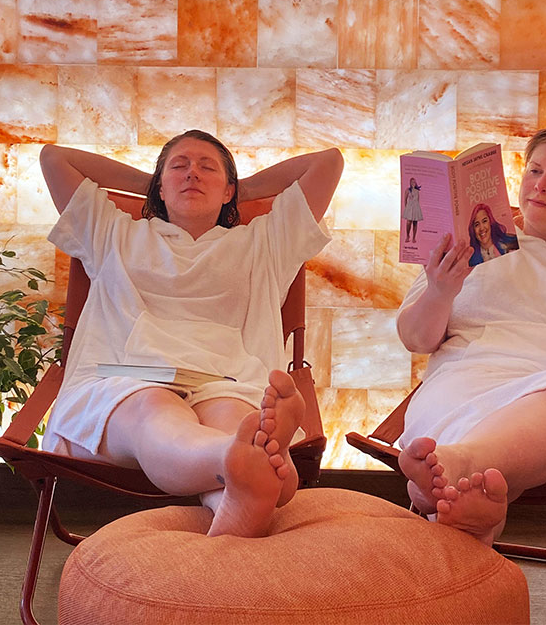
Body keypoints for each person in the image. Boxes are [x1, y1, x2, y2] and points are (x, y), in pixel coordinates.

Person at [39, 130, 343, 538]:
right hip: (126, 378)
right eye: (179, 167)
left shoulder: (264, 242)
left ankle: (241, 479)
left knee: (238, 420)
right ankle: (251, 465)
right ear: (159, 188)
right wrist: (151, 184)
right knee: (157, 412)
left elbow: (328, 162)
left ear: (229, 190)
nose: (192, 174)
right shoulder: (112, 233)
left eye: (207, 168)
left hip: (227, 381)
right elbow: (54, 158)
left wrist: (241, 190)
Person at [395, 123, 546, 546]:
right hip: (465, 383)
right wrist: (441, 290)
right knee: (476, 483)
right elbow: (416, 340)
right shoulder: (472, 249)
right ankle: (477, 509)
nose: (540, 186)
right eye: (534, 171)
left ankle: (459, 469)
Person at [402, 177, 423, 243]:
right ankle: (408, 236)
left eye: (414, 182)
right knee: (408, 222)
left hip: (416, 207)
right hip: (409, 207)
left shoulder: (417, 191)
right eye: (412, 182)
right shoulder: (407, 190)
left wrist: (417, 208)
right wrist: (406, 208)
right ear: (410, 183)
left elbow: (417, 200)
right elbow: (405, 199)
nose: (413, 183)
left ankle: (414, 238)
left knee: (415, 223)